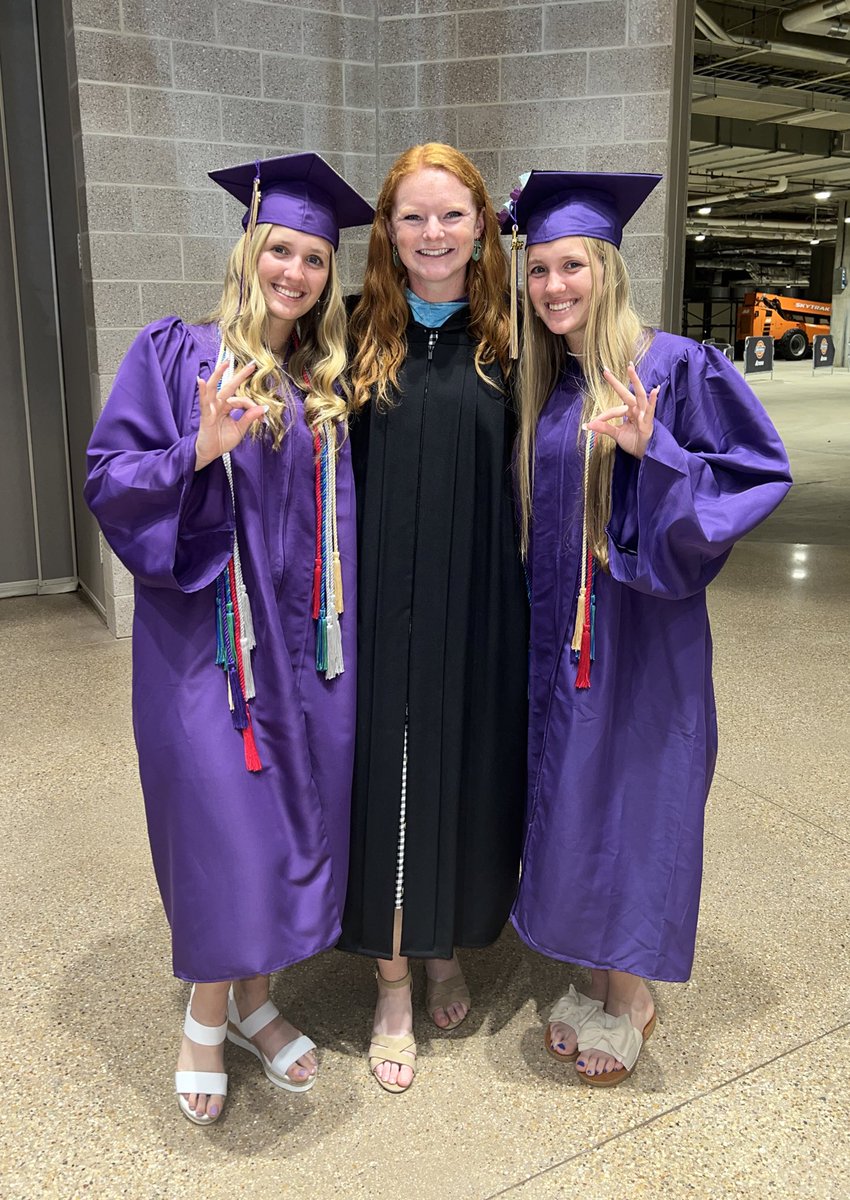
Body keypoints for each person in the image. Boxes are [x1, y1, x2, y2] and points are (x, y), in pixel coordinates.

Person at [85, 154, 373, 1124]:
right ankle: (206, 1016)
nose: (294, 271)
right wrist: (197, 451)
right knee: (224, 832)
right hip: (203, 653)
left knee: (288, 829)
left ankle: (256, 999)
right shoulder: (174, 354)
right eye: (279, 249)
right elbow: (109, 480)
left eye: (314, 258)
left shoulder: (326, 385)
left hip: (309, 660)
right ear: (249, 250)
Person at [503, 171, 792, 1087]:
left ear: (609, 268)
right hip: (560, 639)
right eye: (540, 269)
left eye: (572, 266)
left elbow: (754, 476)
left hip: (642, 634)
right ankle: (595, 978)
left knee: (631, 793)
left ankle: (630, 997)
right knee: (576, 795)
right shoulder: (548, 383)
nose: (554, 287)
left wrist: (652, 452)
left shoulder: (671, 368)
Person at [340, 144, 529, 1093]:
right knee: (386, 774)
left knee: (459, 765)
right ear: (386, 229)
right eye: (412, 217)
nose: (433, 235)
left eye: (451, 215)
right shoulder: (349, 336)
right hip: (374, 599)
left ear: (482, 224)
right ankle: (392, 976)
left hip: (476, 597)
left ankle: (446, 941)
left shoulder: (511, 339)